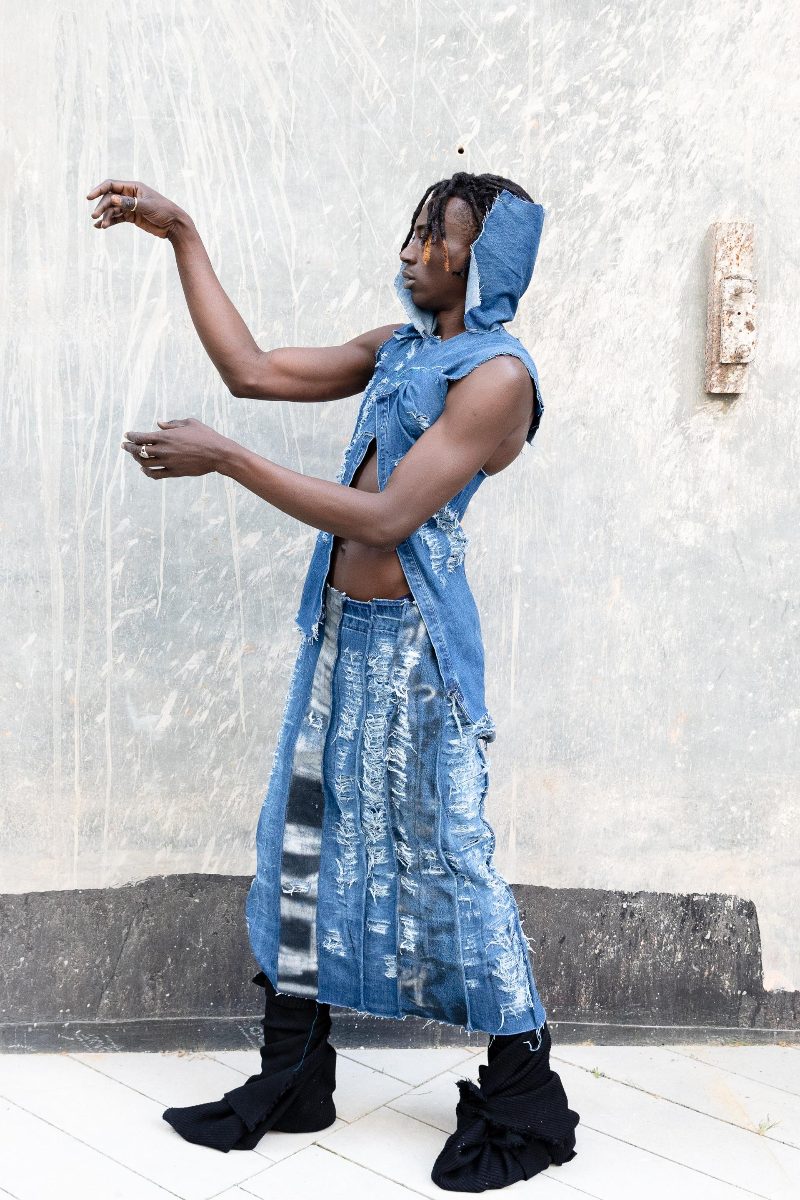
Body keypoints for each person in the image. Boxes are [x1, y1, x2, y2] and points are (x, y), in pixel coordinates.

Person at [87, 169, 580, 1191]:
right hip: (341, 634)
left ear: (484, 262)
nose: (409, 253)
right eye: (413, 231)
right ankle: (295, 1075)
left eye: (434, 239)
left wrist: (229, 462)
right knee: (301, 836)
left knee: (448, 857)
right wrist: (182, 233)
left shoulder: (496, 377)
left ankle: (524, 1094)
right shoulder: (401, 346)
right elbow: (252, 370)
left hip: (418, 654)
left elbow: (388, 517)